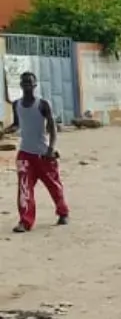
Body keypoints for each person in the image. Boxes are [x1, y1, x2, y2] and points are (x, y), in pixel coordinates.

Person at [11, 71, 69, 233]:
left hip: (43, 154)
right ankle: (25, 221)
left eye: (30, 83)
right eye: (24, 83)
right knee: (24, 189)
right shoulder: (16, 105)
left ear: (35, 85)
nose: (27, 85)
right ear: (21, 85)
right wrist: (5, 131)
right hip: (25, 154)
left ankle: (63, 212)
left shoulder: (43, 104)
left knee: (54, 185)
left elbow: (52, 128)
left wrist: (51, 149)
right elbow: (16, 124)